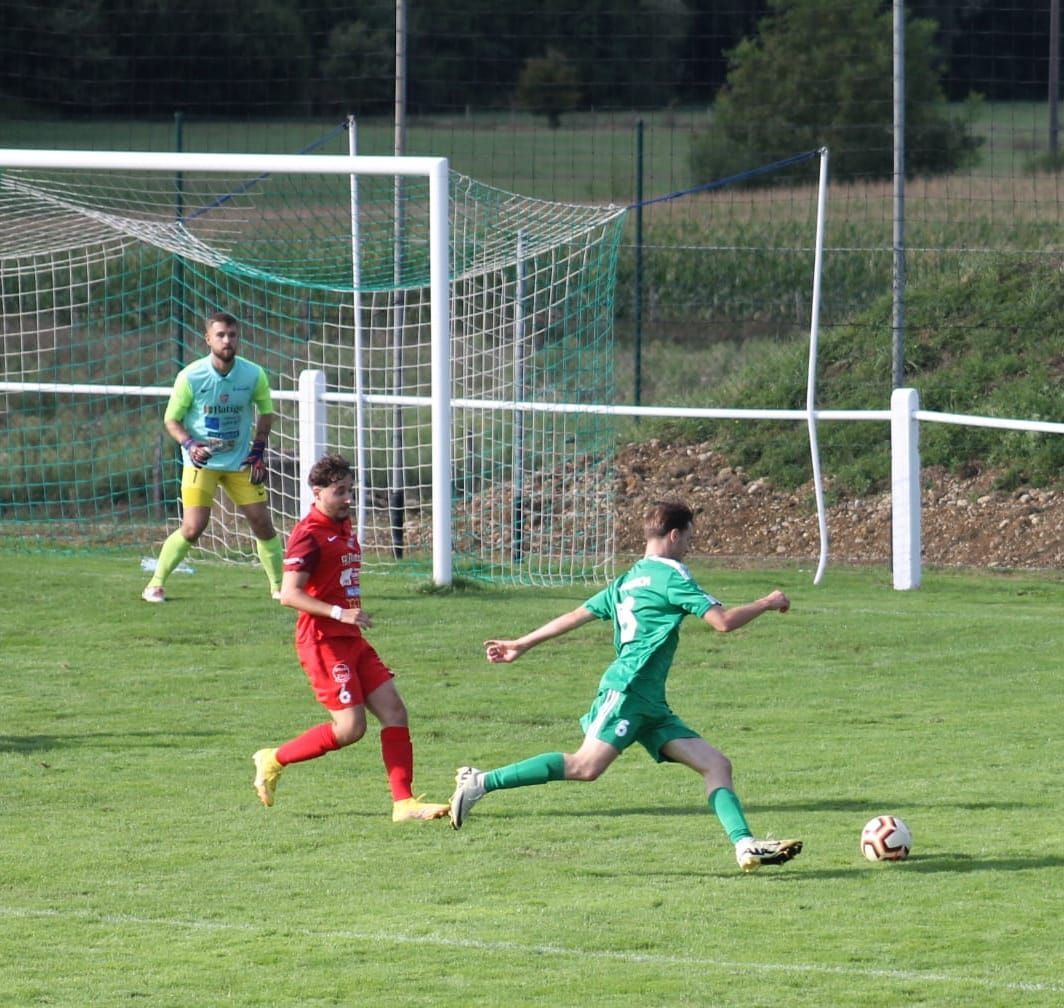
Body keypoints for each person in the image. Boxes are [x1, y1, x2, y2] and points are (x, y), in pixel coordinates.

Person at [449, 499, 802, 872]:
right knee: (585, 766)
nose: (688, 548)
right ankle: (481, 782)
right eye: (688, 539)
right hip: (628, 691)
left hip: (650, 703)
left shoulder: (627, 580)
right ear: (674, 535)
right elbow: (724, 621)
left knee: (716, 764)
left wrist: (521, 643)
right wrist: (767, 601)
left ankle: (745, 846)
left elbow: (575, 615)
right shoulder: (672, 575)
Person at [252, 453, 450, 823]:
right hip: (323, 640)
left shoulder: (342, 526)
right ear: (317, 492)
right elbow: (290, 594)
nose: (347, 498)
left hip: (351, 637)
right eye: (339, 491)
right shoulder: (308, 535)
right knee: (350, 729)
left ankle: (403, 803)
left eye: (350, 490)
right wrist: (340, 612)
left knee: (395, 711)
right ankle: (274, 758)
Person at [141, 310, 284, 603]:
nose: (227, 340)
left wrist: (258, 451)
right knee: (193, 528)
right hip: (201, 463)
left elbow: (266, 413)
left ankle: (280, 588)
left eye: (232, 335)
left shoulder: (253, 374)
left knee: (262, 522)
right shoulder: (190, 376)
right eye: (220, 335)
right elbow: (172, 420)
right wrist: (191, 444)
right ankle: (155, 584)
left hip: (240, 462)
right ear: (208, 339)